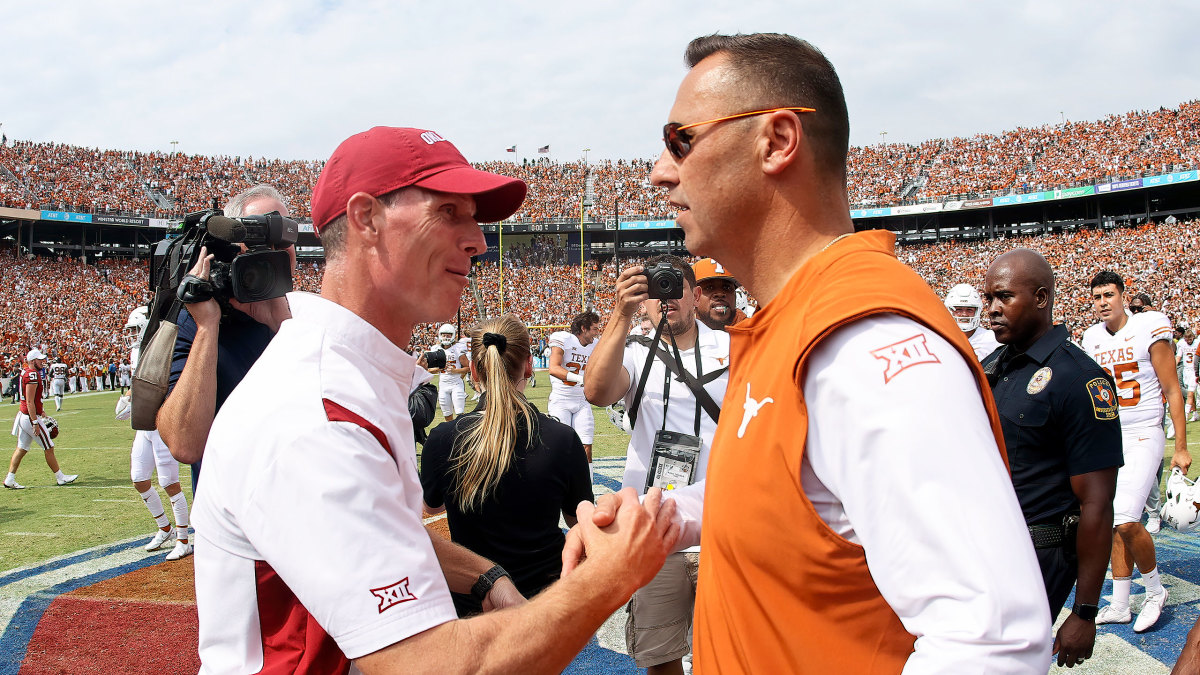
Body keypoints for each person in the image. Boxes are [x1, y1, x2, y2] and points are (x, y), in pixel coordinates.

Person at [573, 32, 1051, 672]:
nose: (661, 171)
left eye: (681, 140)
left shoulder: (864, 341)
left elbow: (991, 640)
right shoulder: (787, 321)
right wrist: (662, 515)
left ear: (775, 141)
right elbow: (788, 500)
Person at [191, 126, 679, 673]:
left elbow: (381, 533)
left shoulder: (350, 376)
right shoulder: (319, 411)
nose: (477, 240)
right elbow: (426, 666)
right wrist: (607, 578)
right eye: (449, 212)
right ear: (366, 218)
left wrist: (485, 577)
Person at [585, 254, 730, 675]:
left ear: (695, 294)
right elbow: (596, 391)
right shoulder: (631, 351)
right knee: (658, 655)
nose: (665, 297)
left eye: (675, 286)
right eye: (654, 289)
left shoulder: (733, 346)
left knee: (723, 654)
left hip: (721, 526)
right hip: (655, 528)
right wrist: (620, 312)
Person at [980, 249, 1122, 669]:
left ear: (1041, 298)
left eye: (1003, 297)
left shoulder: (1080, 379)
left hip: (1037, 556)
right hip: (987, 546)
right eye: (989, 298)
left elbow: (1096, 504)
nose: (991, 309)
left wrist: (1084, 613)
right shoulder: (994, 365)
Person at [421, 315, 593, 616]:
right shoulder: (563, 439)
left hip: (472, 600)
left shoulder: (443, 438)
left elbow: (433, 508)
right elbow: (578, 519)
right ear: (528, 364)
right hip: (544, 600)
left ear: (474, 370)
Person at [157, 184, 295, 493]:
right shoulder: (198, 322)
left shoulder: (307, 316)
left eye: (285, 236)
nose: (277, 248)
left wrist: (282, 325)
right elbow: (185, 444)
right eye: (259, 236)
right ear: (231, 249)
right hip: (236, 525)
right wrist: (207, 327)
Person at [1081, 270, 1192, 631]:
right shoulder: (1092, 338)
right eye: (1097, 297)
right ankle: (1121, 603)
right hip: (1110, 433)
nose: (1102, 303)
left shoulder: (1149, 326)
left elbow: (1172, 389)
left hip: (1144, 430)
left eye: (1109, 295)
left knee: (1128, 519)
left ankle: (1156, 591)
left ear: (1123, 296)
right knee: (1114, 522)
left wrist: (1181, 446)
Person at [119, 306, 191, 561]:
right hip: (144, 424)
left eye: (135, 328)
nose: (132, 334)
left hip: (159, 420)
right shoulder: (135, 351)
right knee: (139, 478)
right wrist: (129, 398)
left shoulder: (161, 345)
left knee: (169, 482)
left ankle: (183, 538)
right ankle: (165, 529)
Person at [5, 349, 77, 489]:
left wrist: (40, 410)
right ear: (32, 361)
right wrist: (35, 421)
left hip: (25, 415)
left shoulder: (26, 372)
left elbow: (31, 400)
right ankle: (60, 477)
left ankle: (10, 479)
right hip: (29, 417)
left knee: (22, 449)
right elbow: (30, 401)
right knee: (49, 446)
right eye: (39, 360)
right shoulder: (32, 375)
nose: (42, 362)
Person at [547, 311, 601, 464]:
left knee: (586, 448)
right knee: (561, 449)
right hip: (561, 400)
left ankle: (587, 487)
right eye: (594, 329)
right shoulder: (564, 339)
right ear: (584, 328)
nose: (596, 333)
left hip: (581, 401)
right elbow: (554, 368)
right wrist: (581, 379)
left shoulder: (595, 345)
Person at [944, 282, 1001, 360]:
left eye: (969, 310)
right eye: (958, 309)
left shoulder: (993, 339)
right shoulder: (940, 339)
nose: (964, 314)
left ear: (977, 311)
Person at [427, 323, 470, 421]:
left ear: (453, 335)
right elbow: (429, 370)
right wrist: (440, 368)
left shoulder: (457, 348)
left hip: (456, 384)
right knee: (447, 415)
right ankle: (451, 434)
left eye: (448, 335)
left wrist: (456, 371)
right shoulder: (435, 349)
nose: (446, 337)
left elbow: (468, 367)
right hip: (443, 386)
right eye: (443, 335)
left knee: (460, 413)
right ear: (440, 335)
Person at [691, 258, 744, 331]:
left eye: (727, 287)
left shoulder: (754, 333)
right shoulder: (680, 335)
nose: (720, 294)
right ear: (695, 296)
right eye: (709, 287)